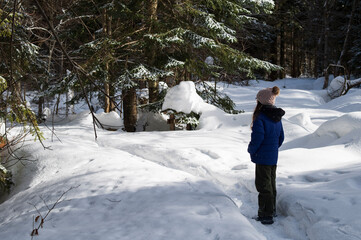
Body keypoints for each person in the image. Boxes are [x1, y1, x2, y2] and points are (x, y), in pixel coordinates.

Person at [247, 86, 285, 225]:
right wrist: (273, 149)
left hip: (262, 157)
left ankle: (265, 215)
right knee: (271, 185)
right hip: (272, 156)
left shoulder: (260, 118)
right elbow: (281, 137)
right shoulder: (277, 117)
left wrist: (251, 150)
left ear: (261, 102)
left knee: (263, 186)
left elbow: (257, 138)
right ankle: (271, 210)